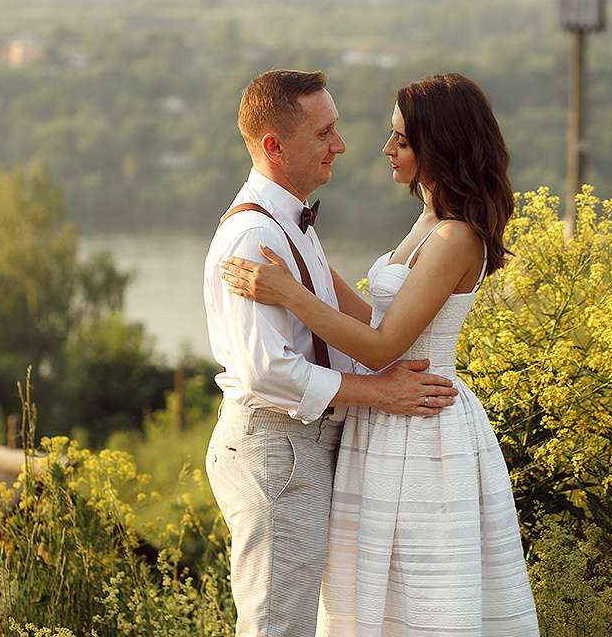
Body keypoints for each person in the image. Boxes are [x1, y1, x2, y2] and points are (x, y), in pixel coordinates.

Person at [220, 72, 539, 637]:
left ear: (440, 147)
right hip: (387, 415)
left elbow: (384, 345)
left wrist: (288, 293)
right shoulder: (426, 222)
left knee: (422, 591)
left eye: (401, 139)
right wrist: (301, 258)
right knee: (370, 590)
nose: (384, 149)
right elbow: (376, 315)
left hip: (421, 418)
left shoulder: (456, 237)